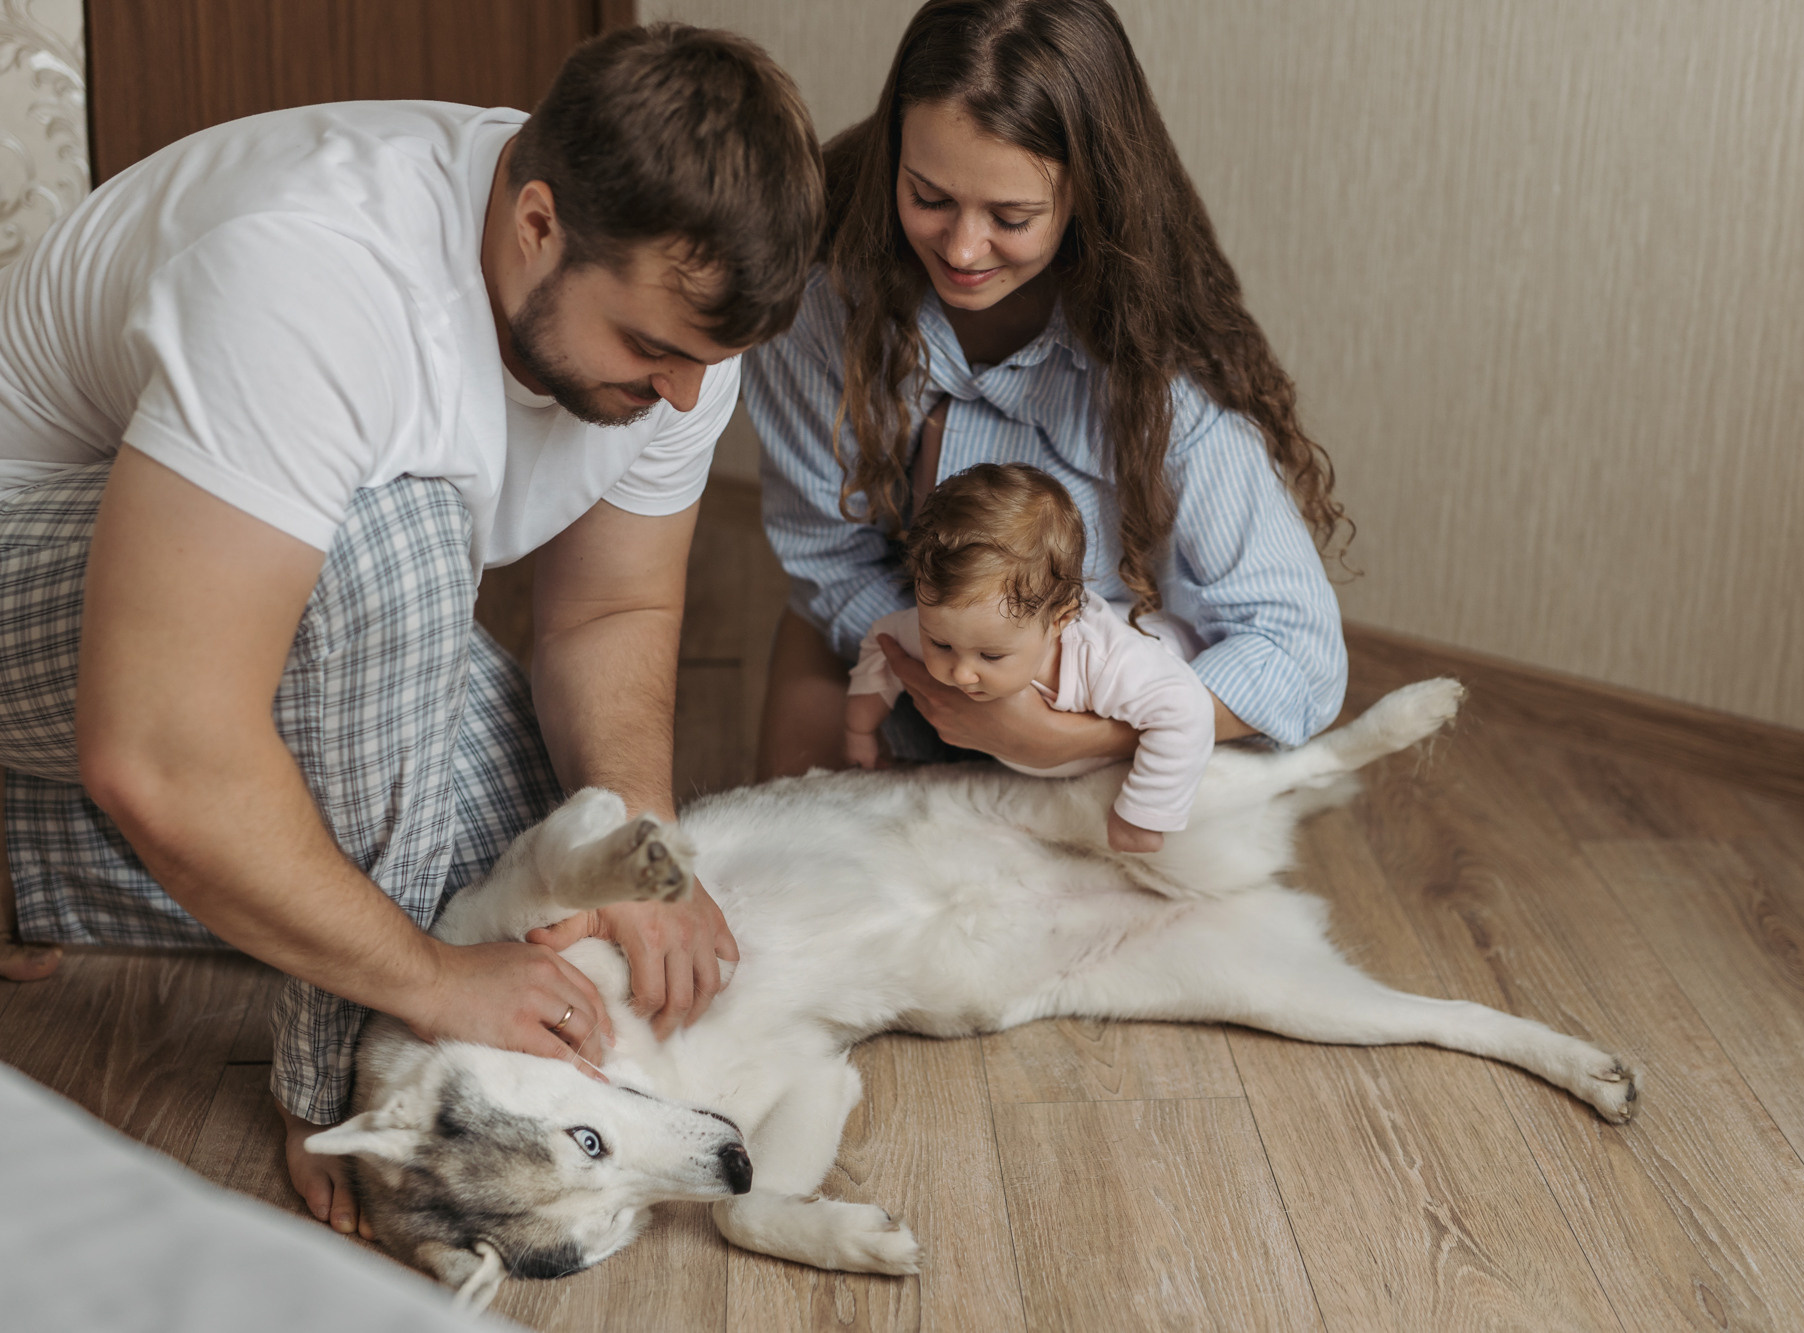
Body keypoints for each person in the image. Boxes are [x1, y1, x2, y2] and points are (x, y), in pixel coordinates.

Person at [0, 24, 822, 1232]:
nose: (686, 397)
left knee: (556, 895)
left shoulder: (677, 335)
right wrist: (424, 989)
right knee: (393, 553)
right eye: (651, 350)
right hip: (45, 585)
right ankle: (322, 1066)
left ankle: (26, 863)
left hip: (267, 606)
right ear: (535, 222)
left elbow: (610, 607)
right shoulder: (312, 276)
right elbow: (158, 742)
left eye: (708, 361)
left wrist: (641, 841)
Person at [745, 0, 1351, 784]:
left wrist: (1076, 734)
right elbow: (828, 559)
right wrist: (943, 673)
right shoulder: (821, 296)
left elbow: (1300, 656)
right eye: (929, 196)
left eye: (1012, 216)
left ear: (1085, 199)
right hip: (889, 652)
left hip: (1097, 706)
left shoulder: (1158, 368)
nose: (962, 249)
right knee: (784, 873)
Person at [845, 463, 1211, 852]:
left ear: (1061, 621)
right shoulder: (950, 628)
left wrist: (1141, 815)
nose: (963, 673)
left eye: (991, 655)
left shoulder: (1104, 661)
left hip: (1177, 655)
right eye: (940, 645)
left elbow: (1189, 710)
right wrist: (861, 729)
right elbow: (881, 641)